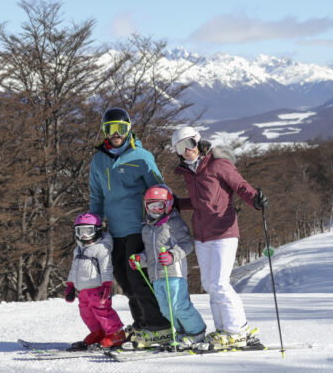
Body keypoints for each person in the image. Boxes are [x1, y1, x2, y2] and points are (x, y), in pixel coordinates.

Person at [170, 126, 270, 348]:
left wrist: (255, 199)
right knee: (209, 284)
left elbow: (240, 186)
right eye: (180, 147)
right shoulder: (188, 172)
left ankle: (238, 329)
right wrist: (177, 204)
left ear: (198, 142)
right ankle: (223, 329)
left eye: (190, 144)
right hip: (202, 235)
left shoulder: (218, 163)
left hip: (224, 231)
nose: (187, 151)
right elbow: (200, 203)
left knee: (220, 283)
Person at [88, 107, 172, 345]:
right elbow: (96, 196)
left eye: (121, 129)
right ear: (104, 131)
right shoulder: (99, 160)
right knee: (124, 280)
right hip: (114, 230)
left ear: (129, 130)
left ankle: (159, 325)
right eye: (110, 129)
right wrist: (94, 225)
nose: (116, 134)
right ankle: (142, 323)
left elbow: (159, 190)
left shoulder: (142, 157)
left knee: (140, 279)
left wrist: (160, 220)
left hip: (139, 227)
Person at [128, 184, 207, 348]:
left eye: (160, 206)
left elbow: (186, 244)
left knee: (179, 306)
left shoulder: (175, 223)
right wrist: (139, 260)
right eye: (151, 205)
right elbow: (150, 255)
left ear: (168, 205)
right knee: (166, 310)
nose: (155, 209)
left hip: (174, 273)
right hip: (156, 275)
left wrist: (171, 255)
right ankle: (181, 333)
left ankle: (196, 332)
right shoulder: (147, 229)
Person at [65, 213, 125, 350]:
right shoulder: (78, 250)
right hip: (83, 290)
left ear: (97, 231)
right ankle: (99, 333)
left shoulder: (102, 248)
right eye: (80, 232)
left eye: (88, 232)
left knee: (103, 312)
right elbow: (74, 268)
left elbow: (106, 268)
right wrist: (70, 285)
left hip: (98, 288)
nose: (84, 236)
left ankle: (116, 334)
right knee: (86, 312)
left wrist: (107, 285)